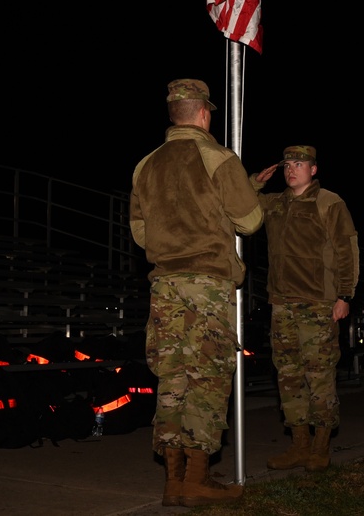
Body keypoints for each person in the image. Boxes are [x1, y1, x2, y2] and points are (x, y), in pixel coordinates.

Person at [129, 78, 265, 508]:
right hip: (206, 284)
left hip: (164, 283)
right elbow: (250, 220)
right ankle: (197, 479)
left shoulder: (145, 164)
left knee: (172, 378)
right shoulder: (217, 157)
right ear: (204, 114)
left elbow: (138, 231)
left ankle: (173, 481)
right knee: (207, 379)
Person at [251, 145, 359, 472]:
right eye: (287, 164)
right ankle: (299, 445)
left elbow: (347, 248)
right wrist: (255, 182)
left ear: (313, 169)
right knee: (288, 376)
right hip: (281, 303)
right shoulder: (275, 203)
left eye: (299, 164)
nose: (291, 169)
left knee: (320, 376)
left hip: (318, 303)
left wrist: (344, 295)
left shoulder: (329, 202)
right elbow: (241, 208)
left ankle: (320, 446)